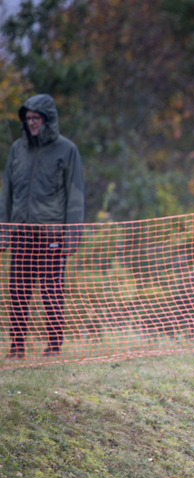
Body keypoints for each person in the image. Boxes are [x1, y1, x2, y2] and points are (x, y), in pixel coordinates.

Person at [1, 94, 85, 359]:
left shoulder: (67, 149)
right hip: (21, 232)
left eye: (36, 119)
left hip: (52, 234)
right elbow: (7, 193)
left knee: (51, 290)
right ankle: (17, 347)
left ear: (48, 120)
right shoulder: (17, 149)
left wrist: (72, 236)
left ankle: (54, 346)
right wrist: (3, 231)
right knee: (17, 290)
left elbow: (76, 195)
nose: (32, 123)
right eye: (28, 119)